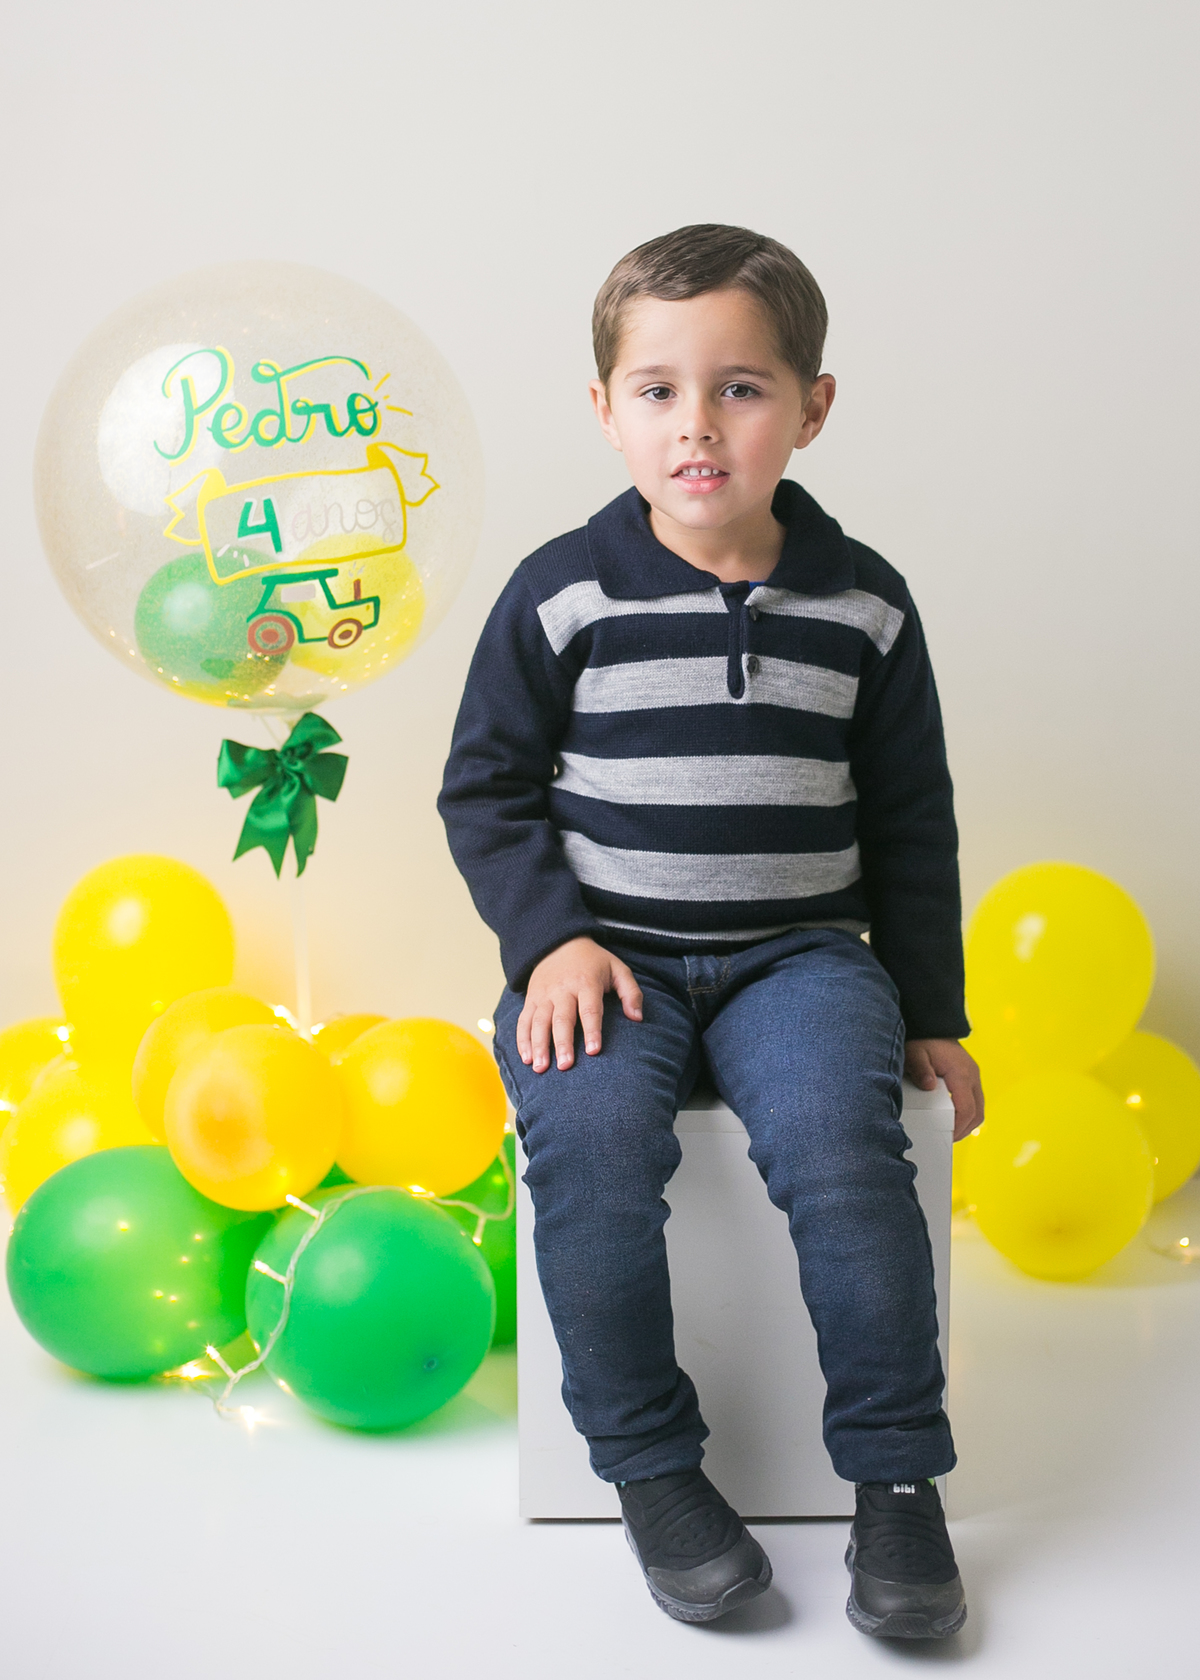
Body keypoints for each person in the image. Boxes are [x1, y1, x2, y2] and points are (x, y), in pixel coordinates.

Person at [439, 223, 982, 1639]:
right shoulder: (562, 592)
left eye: (740, 389)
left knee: (849, 1163)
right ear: (605, 409)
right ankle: (651, 1468)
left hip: (799, 961)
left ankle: (896, 1479)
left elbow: (912, 819)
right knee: (594, 1158)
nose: (697, 424)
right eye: (658, 390)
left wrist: (933, 1009)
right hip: (603, 962)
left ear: (812, 407)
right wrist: (550, 942)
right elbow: (484, 789)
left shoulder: (865, 603)